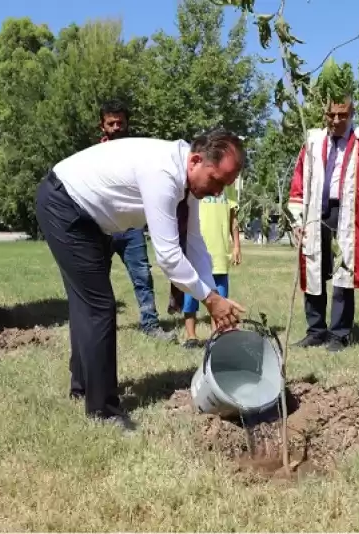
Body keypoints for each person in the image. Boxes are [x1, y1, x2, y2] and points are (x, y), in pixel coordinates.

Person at [35, 128, 247, 429]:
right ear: (196, 160)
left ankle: (82, 385)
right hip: (65, 205)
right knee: (98, 307)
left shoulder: (188, 178)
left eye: (225, 185)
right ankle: (103, 411)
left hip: (88, 218)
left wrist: (214, 294)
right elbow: (169, 257)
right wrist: (210, 300)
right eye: (216, 181)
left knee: (88, 306)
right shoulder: (163, 173)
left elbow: (195, 243)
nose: (218, 192)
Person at [288, 94, 359, 352]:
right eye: (331, 114)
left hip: (349, 214)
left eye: (342, 114)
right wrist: (296, 219)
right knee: (313, 269)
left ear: (352, 112)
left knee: (344, 272)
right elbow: (299, 179)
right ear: (324, 113)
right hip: (316, 212)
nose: (336, 120)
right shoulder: (312, 141)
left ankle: (339, 334)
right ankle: (316, 330)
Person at [97, 100, 175, 342]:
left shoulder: (139, 152)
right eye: (111, 123)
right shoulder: (94, 156)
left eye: (121, 122)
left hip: (132, 227)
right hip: (103, 227)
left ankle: (150, 324)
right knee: (97, 278)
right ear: (102, 126)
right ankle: (99, 327)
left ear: (128, 123)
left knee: (142, 276)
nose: (117, 127)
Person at [181, 181, 242, 348]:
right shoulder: (197, 181)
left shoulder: (228, 186)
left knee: (220, 296)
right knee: (191, 293)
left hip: (220, 251)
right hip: (196, 248)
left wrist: (236, 245)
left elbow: (233, 216)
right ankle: (191, 336)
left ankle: (216, 337)